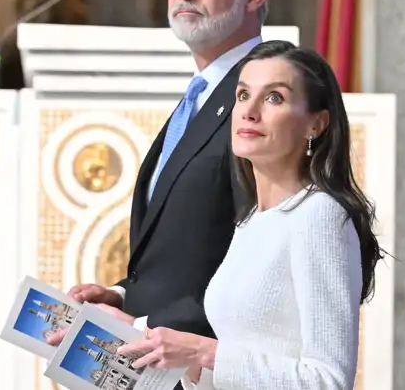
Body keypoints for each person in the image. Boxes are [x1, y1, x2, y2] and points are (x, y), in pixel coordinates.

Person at [47, 0, 276, 343]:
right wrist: (123, 296)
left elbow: (264, 261)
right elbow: (187, 250)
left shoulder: (265, 94)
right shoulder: (204, 93)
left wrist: (140, 327)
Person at [116, 40, 383, 390]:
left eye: (274, 98)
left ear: (315, 125)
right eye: (242, 95)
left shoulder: (320, 215)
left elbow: (328, 381)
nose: (249, 111)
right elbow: (239, 365)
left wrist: (203, 353)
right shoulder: (252, 220)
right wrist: (183, 363)